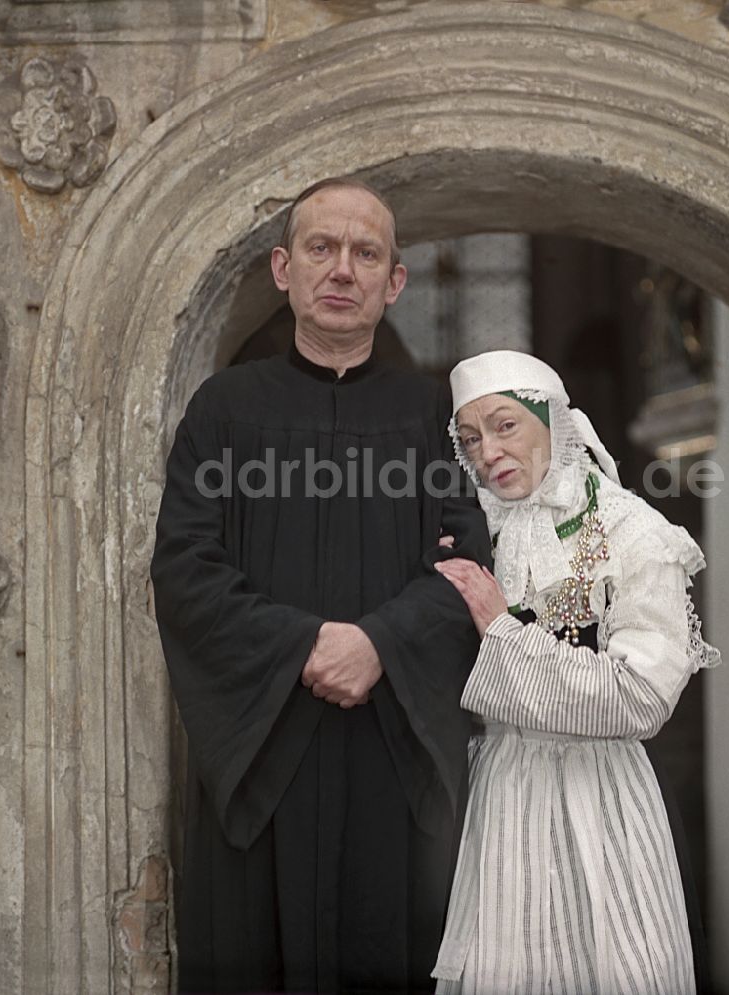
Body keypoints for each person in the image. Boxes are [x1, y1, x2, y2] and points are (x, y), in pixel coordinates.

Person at [150, 177, 491, 994]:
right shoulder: (224, 411)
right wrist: (306, 645)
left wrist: (380, 642)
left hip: (389, 763)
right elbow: (185, 569)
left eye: (366, 253)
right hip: (260, 762)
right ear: (283, 268)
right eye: (321, 248)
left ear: (393, 282)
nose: (343, 270)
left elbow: (470, 568)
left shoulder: (429, 417)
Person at [430, 350, 720, 995]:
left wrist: (499, 628)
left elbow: (640, 698)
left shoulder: (636, 534)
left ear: (554, 422)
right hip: (502, 796)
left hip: (601, 798)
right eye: (470, 437)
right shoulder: (476, 537)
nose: (487, 451)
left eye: (506, 425)